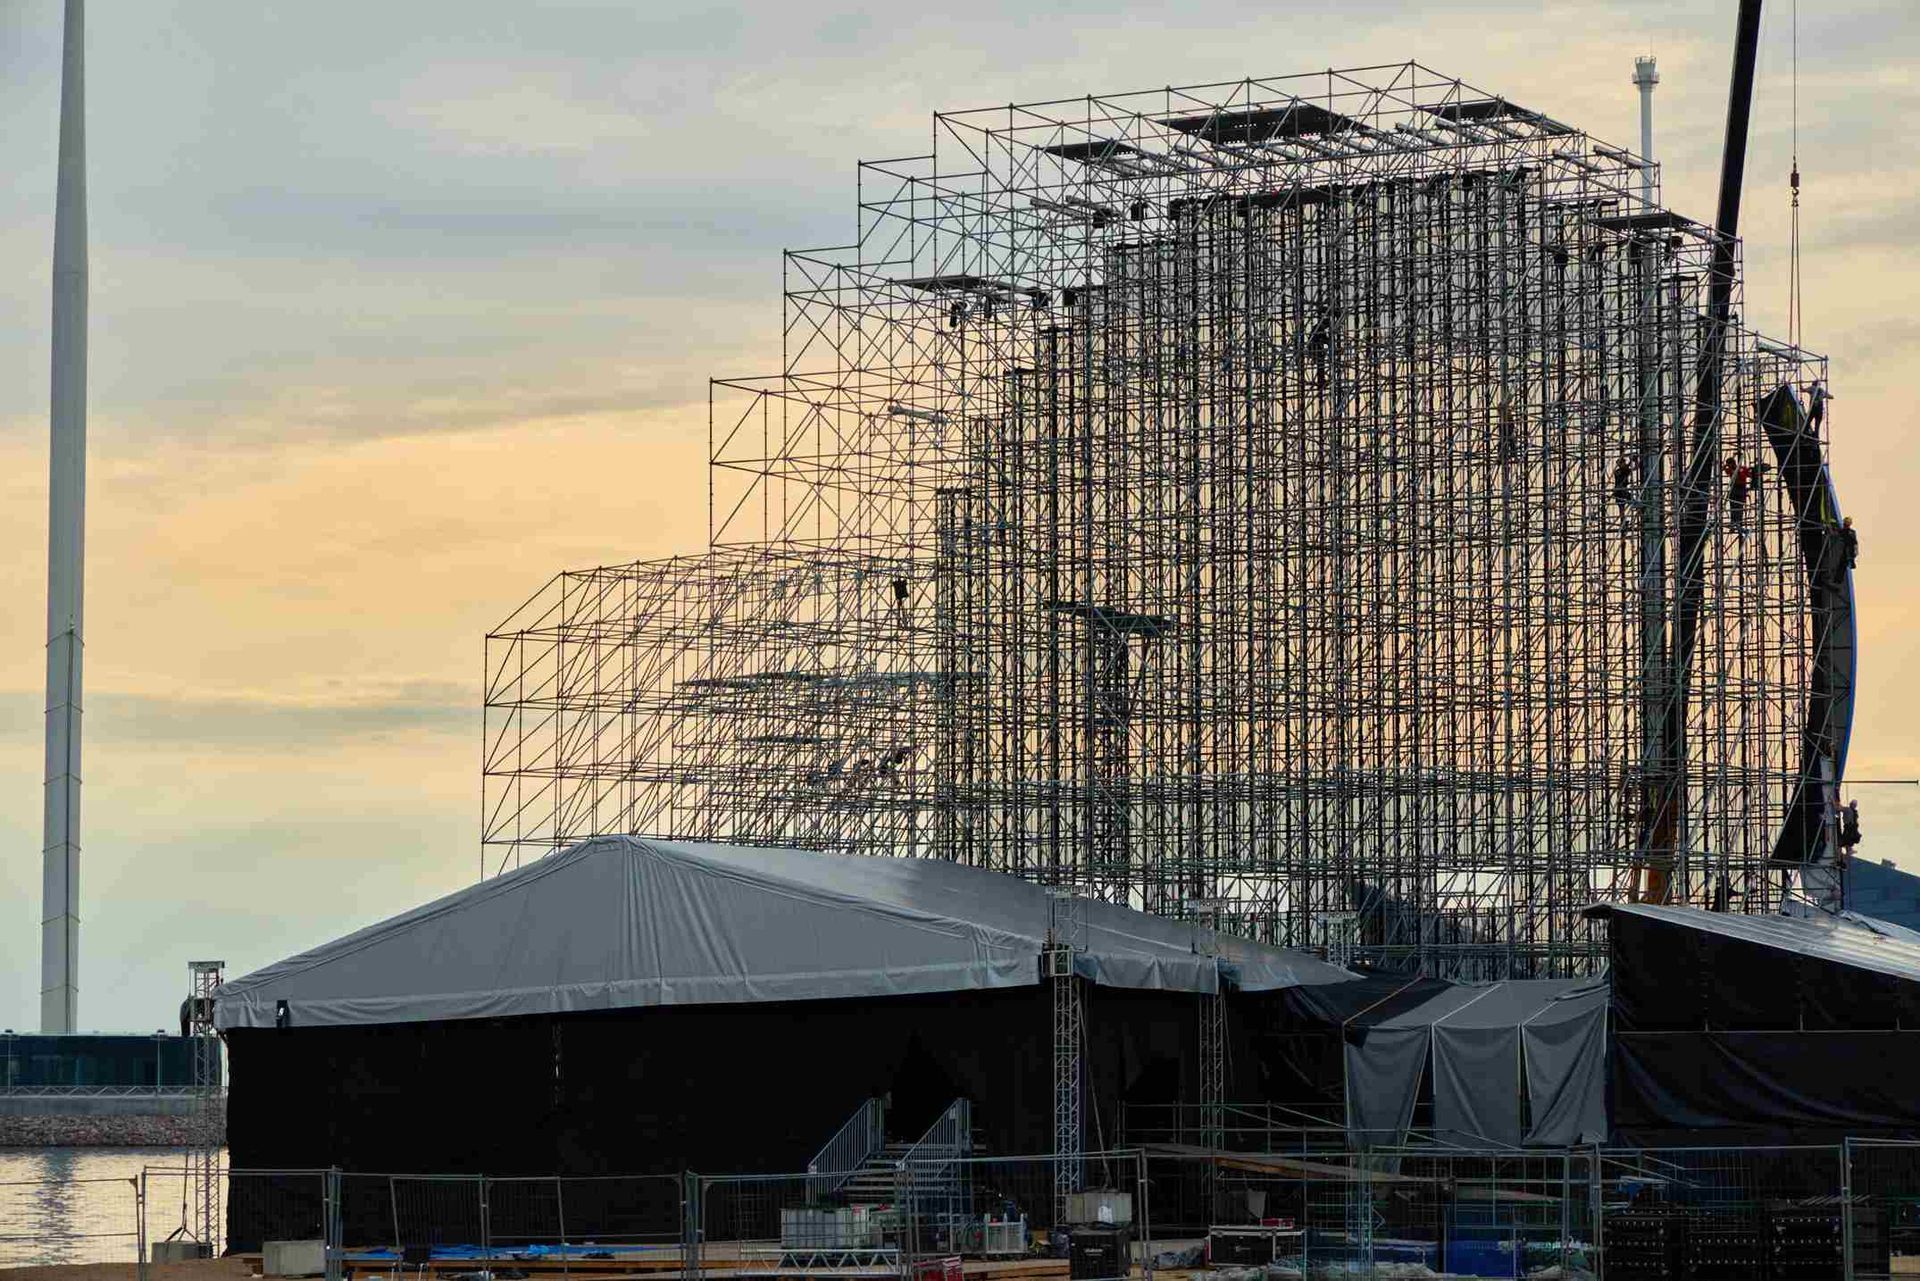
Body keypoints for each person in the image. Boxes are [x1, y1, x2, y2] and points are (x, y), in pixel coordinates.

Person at [1727, 459, 1753, 537]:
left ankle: (1738, 523)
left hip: (1741, 489)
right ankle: (1733, 523)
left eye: (1730, 464)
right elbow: (1727, 471)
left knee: (1739, 507)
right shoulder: (1731, 470)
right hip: (1735, 488)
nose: (1729, 466)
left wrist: (1750, 472)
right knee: (1733, 507)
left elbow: (1749, 475)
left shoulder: (1742, 468)